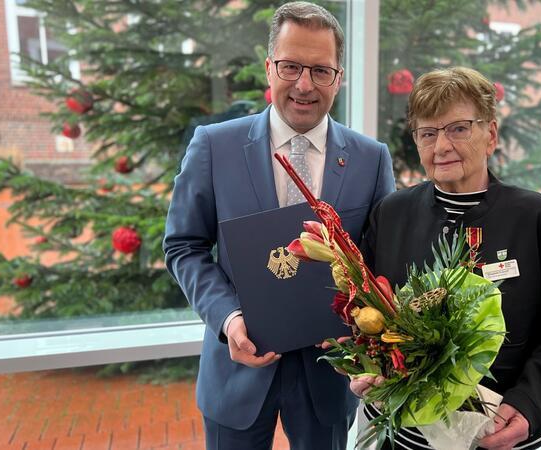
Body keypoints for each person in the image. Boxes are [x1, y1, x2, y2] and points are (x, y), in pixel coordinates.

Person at [163, 2, 395, 449]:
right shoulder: (214, 147)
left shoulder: (371, 158)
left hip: (329, 377)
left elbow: (378, 259)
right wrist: (228, 319)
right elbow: (184, 246)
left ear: (338, 78)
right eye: (290, 67)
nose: (304, 85)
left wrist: (367, 325)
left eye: (321, 71)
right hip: (236, 371)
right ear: (269, 68)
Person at [354, 67, 541, 449]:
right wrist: (366, 367)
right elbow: (364, 311)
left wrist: (531, 404)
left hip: (497, 434)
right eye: (428, 133)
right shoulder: (391, 214)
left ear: (491, 135)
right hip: (401, 436)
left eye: (459, 128)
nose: (442, 146)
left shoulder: (536, 219)